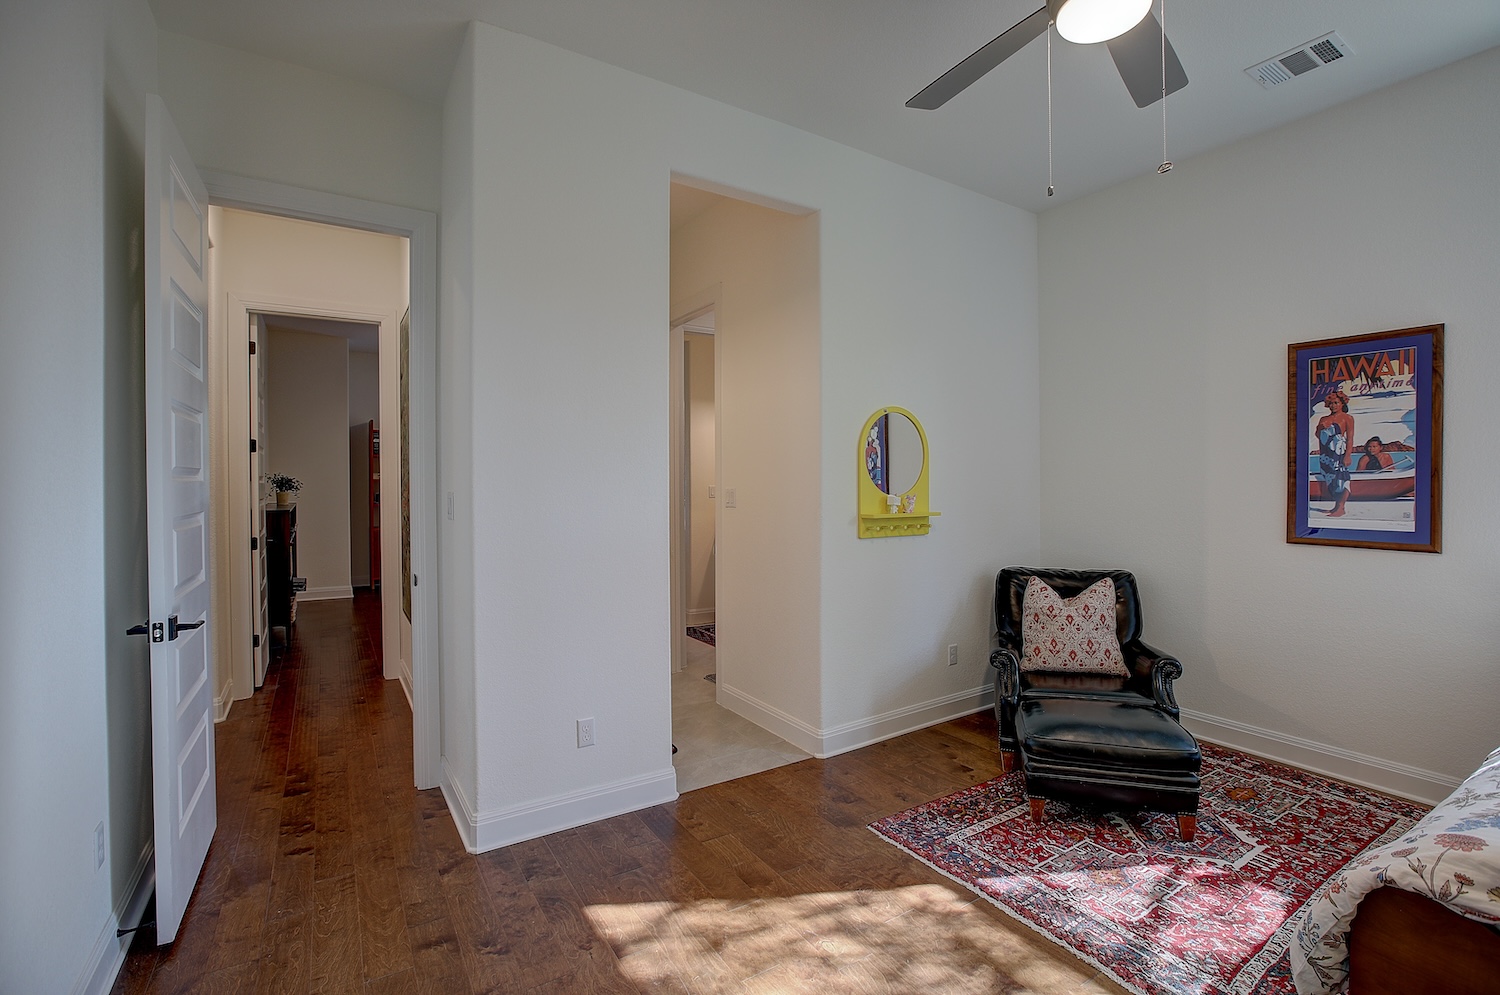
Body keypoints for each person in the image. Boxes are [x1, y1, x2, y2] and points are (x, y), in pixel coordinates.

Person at [1315, 390, 1355, 517]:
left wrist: (1348, 455)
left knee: (1343, 479)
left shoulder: (1347, 418)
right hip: (1326, 454)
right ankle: (1336, 506)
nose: (1333, 405)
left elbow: (1350, 438)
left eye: (1336, 402)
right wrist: (1321, 427)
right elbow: (1318, 435)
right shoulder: (1324, 418)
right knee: (1330, 480)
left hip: (1339, 453)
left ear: (1342, 403)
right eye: (1331, 403)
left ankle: (1341, 507)